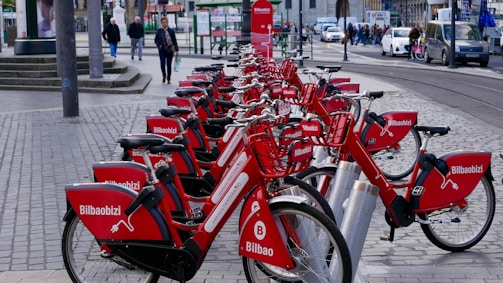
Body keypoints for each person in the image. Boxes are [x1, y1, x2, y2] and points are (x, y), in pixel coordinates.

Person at [154, 16, 179, 84]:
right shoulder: (159, 31)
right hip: (162, 49)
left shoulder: (171, 31)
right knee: (162, 63)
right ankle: (164, 75)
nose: (164, 24)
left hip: (170, 49)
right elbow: (156, 40)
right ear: (161, 23)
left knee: (168, 64)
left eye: (165, 22)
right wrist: (159, 45)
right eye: (163, 22)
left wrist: (177, 50)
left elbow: (174, 40)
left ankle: (169, 78)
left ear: (167, 23)